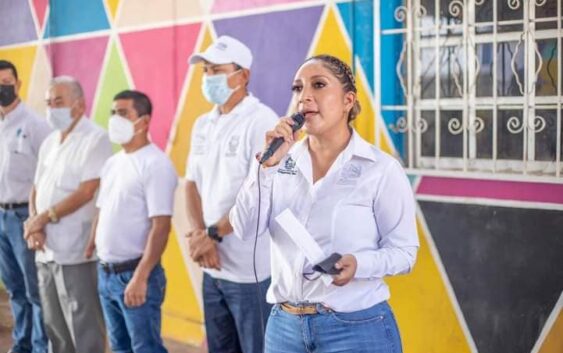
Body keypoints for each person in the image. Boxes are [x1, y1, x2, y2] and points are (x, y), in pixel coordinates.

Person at [230, 54, 419, 353]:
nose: (304, 96)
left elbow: (405, 253)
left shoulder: (380, 169)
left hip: (356, 328)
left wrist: (360, 264)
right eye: (297, 88)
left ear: (348, 100)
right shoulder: (279, 162)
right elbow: (245, 229)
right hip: (284, 328)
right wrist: (265, 168)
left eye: (318, 85)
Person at [185, 35, 278, 353]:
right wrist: (200, 235)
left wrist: (211, 235)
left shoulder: (261, 121)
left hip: (249, 273)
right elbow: (191, 184)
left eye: (216, 70)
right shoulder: (203, 124)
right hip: (212, 265)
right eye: (205, 71)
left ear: (243, 75)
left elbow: (257, 197)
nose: (208, 78)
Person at [86, 90, 177, 353]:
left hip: (135, 274)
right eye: (113, 113)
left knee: (145, 347)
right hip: (106, 273)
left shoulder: (156, 165)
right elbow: (102, 209)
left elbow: (161, 226)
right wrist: (93, 244)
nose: (115, 119)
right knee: (119, 347)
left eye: (123, 113)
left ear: (144, 122)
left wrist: (141, 276)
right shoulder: (113, 162)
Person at [25, 76, 110, 353]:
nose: (51, 108)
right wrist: (35, 224)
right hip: (45, 248)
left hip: (76, 250)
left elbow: (87, 191)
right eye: (48, 103)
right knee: (54, 324)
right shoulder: (50, 141)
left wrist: (44, 217)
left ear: (79, 104)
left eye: (58, 102)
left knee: (83, 323)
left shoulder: (95, 138)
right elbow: (36, 188)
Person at [0, 60, 50, 353]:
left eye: (7, 82)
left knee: (35, 291)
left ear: (17, 84)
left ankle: (40, 346)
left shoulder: (35, 125)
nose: (2, 88)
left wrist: (37, 220)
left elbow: (46, 175)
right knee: (15, 289)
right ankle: (22, 345)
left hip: (24, 217)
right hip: (1, 215)